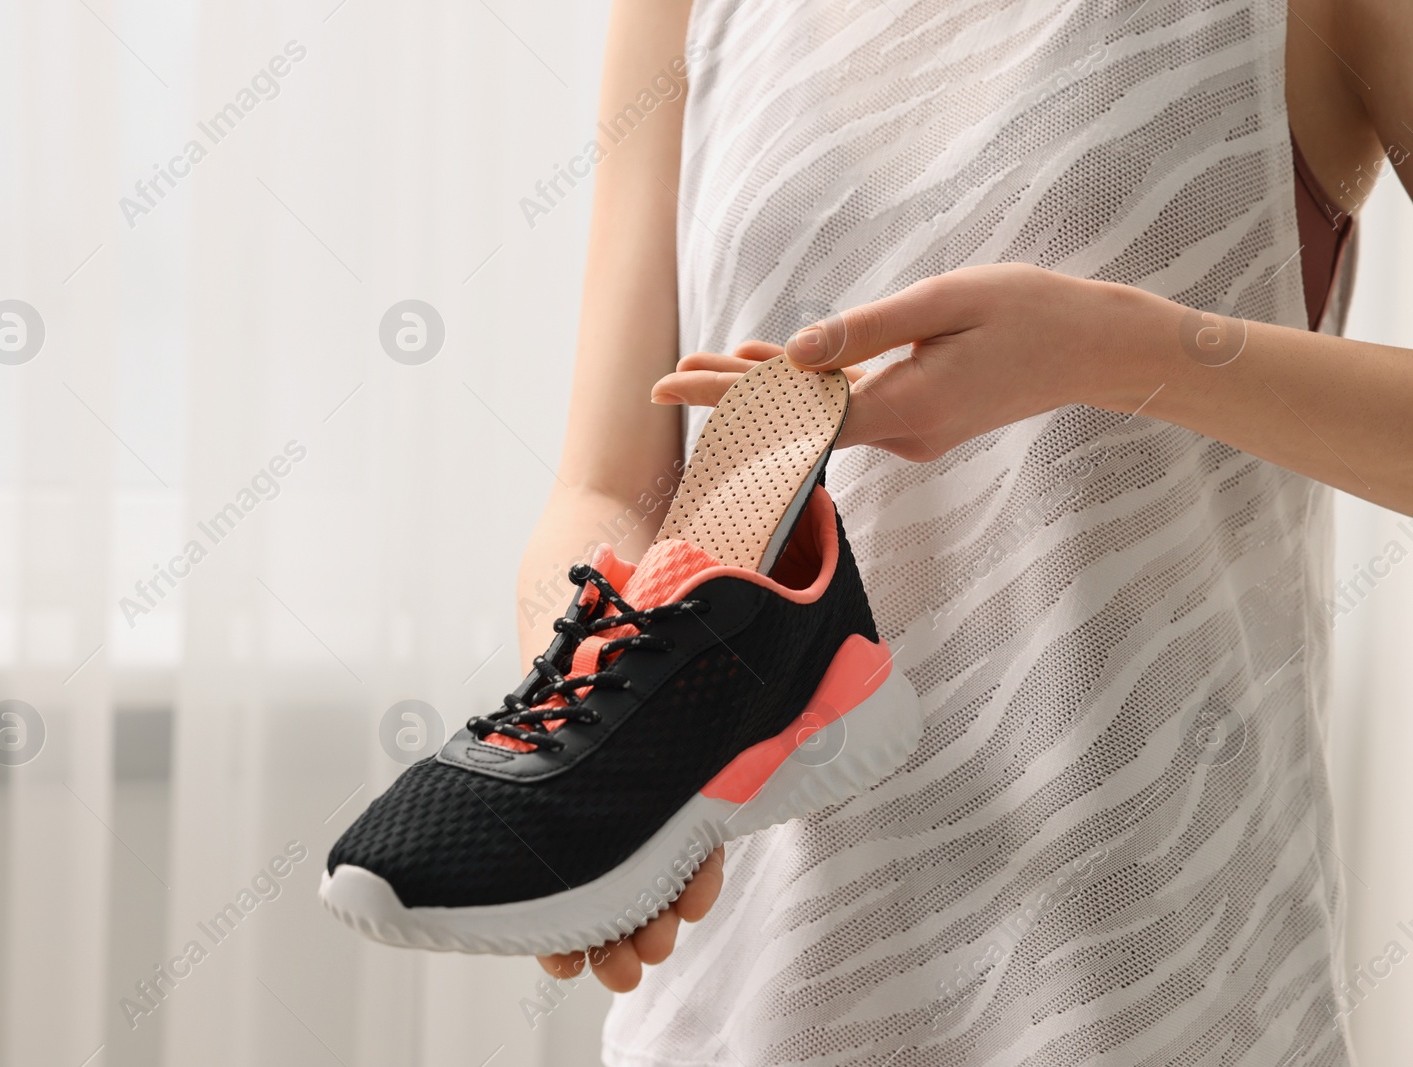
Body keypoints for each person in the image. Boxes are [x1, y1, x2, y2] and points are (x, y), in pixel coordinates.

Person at [520, 0, 1413, 1061]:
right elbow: (609, 488)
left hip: (1154, 988)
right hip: (736, 1001)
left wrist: (1124, 351)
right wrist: (587, 712)